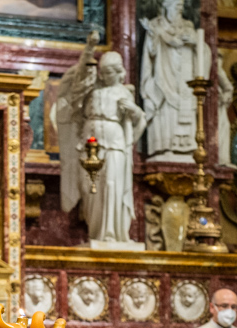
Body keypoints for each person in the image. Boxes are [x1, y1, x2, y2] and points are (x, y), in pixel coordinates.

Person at [58, 31, 147, 244]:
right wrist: (89, 49)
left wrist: (133, 111)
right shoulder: (92, 90)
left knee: (112, 183)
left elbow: (139, 120)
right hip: (92, 142)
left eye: (110, 72)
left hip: (115, 142)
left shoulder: (125, 93)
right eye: (103, 72)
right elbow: (80, 75)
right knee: (92, 188)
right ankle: (96, 232)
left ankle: (113, 233)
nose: (105, 76)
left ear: (118, 73)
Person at [139, 0, 210, 161]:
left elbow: (204, 51)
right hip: (164, 76)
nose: (179, 10)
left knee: (185, 107)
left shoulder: (188, 26)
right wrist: (152, 35)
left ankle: (186, 148)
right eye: (176, 6)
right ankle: (164, 147)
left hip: (185, 81)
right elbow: (149, 52)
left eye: (181, 7)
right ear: (167, 6)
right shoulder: (156, 25)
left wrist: (195, 42)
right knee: (165, 110)